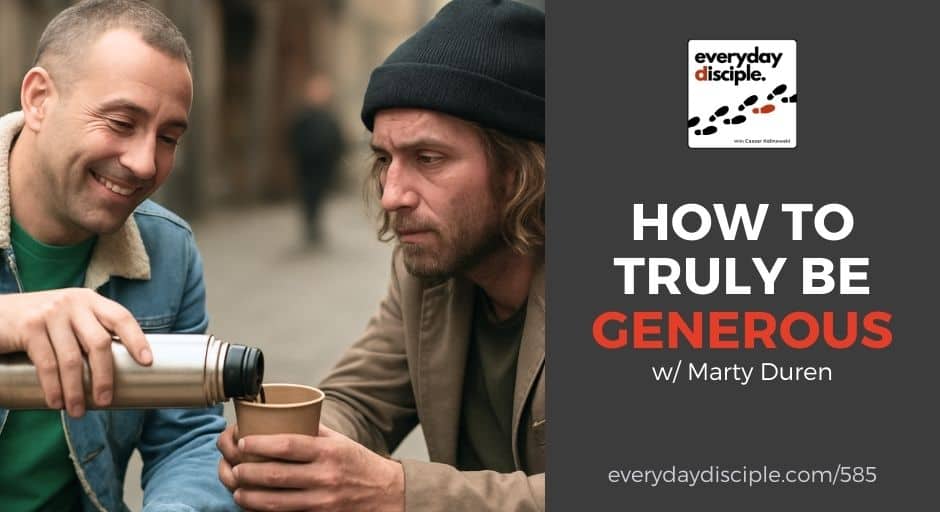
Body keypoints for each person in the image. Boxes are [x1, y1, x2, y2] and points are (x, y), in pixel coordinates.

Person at [217, 0, 545, 510]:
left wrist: (396, 491)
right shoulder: (433, 269)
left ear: (520, 170)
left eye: (428, 159)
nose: (392, 194)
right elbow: (360, 400)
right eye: (385, 159)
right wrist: (292, 449)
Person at [0, 0, 237, 510]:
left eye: (169, 138)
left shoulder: (168, 250)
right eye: (121, 122)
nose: (145, 163)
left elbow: (187, 438)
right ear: (39, 98)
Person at [288, 73, 346, 246]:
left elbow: (337, 138)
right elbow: (294, 138)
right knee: (308, 197)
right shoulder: (304, 116)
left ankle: (315, 226)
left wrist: (336, 157)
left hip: (324, 166)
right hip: (307, 166)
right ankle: (310, 227)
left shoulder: (329, 117)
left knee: (319, 197)